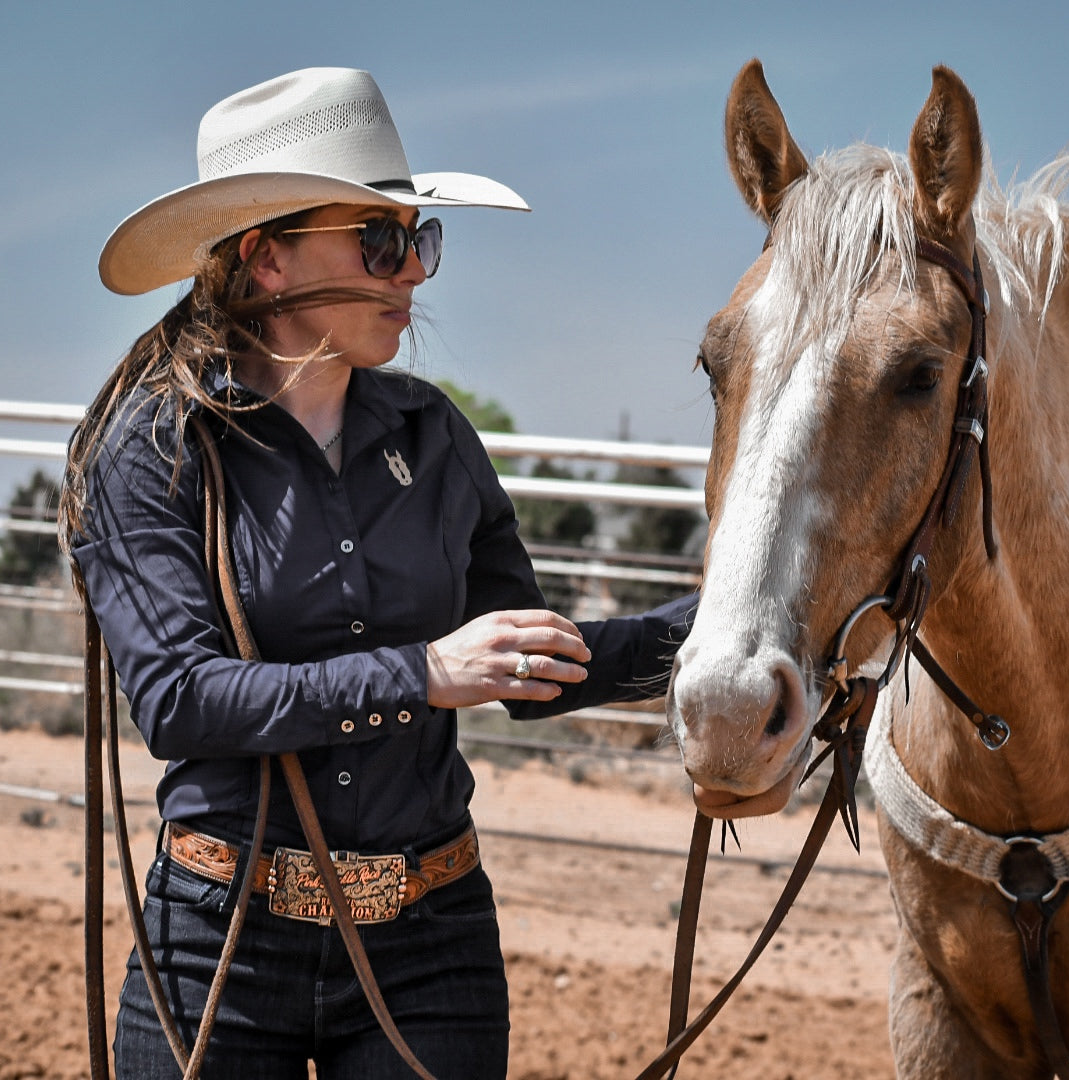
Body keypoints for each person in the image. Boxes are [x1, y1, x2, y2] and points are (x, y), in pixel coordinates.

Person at [60, 67, 693, 1079]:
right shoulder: (151, 449)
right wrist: (421, 675)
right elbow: (178, 700)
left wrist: (732, 626)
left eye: (417, 240)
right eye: (380, 242)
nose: (413, 275)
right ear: (268, 259)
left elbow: (524, 662)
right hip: (219, 942)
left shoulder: (434, 436)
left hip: (430, 944)